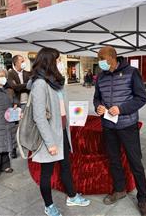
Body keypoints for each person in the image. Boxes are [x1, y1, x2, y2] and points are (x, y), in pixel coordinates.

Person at [30, 47, 90, 216]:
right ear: (49, 61)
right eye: (57, 60)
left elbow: (62, 107)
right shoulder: (40, 83)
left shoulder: (55, 80)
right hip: (48, 134)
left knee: (65, 166)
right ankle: (49, 206)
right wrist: (50, 144)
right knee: (47, 173)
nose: (60, 62)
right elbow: (39, 117)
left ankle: (72, 196)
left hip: (61, 131)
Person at [93, 46, 146, 216]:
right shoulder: (101, 77)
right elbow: (97, 98)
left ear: (113, 57)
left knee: (135, 162)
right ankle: (119, 190)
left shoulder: (132, 72)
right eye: (98, 58)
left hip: (127, 125)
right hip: (108, 126)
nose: (100, 62)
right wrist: (98, 107)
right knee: (114, 160)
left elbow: (141, 98)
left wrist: (121, 109)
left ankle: (143, 199)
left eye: (102, 58)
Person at [7, 55, 31, 158]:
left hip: (27, 103)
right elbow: (14, 87)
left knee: (26, 125)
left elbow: (31, 85)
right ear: (16, 62)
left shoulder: (27, 73)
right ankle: (13, 148)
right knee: (14, 127)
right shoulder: (10, 74)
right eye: (22, 61)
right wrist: (26, 85)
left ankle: (25, 145)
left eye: (24, 60)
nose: (24, 62)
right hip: (15, 104)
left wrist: (22, 86)